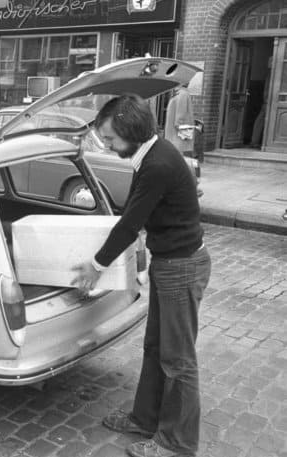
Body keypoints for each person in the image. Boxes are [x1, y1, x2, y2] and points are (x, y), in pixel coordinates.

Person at [72, 94, 211, 457]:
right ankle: (144, 418)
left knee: (178, 360)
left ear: (131, 133)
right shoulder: (149, 155)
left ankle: (177, 444)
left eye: (112, 139)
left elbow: (131, 223)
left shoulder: (157, 164)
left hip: (181, 268)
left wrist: (96, 265)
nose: (109, 145)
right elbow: (133, 212)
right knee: (155, 349)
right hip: (171, 264)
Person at [164, 84, 195, 158]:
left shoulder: (182, 94)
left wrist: (179, 124)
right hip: (177, 129)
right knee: (178, 150)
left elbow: (181, 112)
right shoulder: (180, 93)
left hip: (178, 129)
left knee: (179, 149)